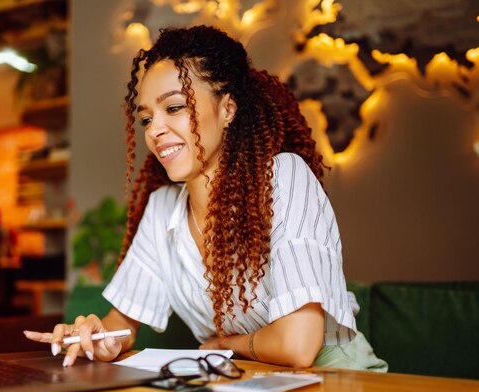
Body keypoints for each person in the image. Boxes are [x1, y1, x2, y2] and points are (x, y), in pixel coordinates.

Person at [24, 25, 387, 372]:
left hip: (340, 387)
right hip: (242, 388)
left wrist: (227, 345)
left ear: (228, 109)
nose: (156, 130)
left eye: (175, 108)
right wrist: (96, 336)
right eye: (146, 119)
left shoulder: (284, 178)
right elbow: (122, 323)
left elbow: (298, 345)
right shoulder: (163, 208)